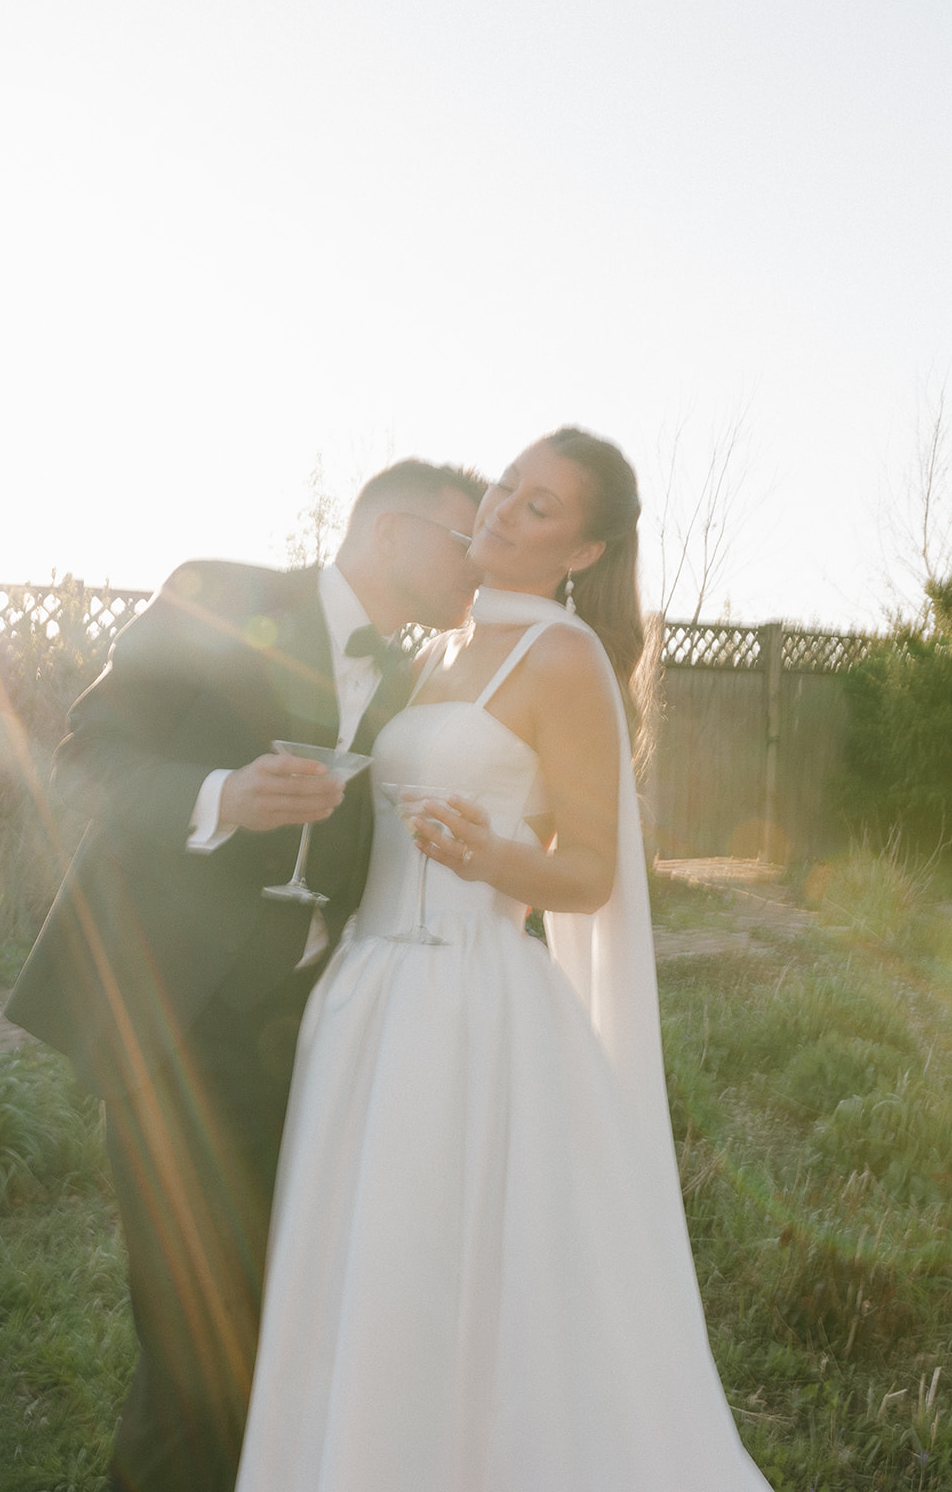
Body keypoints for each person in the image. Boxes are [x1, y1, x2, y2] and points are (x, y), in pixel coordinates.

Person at [235, 427, 775, 1491]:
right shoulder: (433, 649)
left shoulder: (561, 658)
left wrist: (491, 854)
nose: (501, 507)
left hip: (464, 998)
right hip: (364, 993)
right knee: (359, 1269)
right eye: (506, 485)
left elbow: (590, 875)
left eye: (538, 508)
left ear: (579, 553)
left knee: (442, 1267)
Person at [4, 459, 486, 1492]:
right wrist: (222, 793)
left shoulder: (414, 683)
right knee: (192, 1353)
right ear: (393, 532)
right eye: (463, 540)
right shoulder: (219, 595)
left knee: (278, 1331)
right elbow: (87, 754)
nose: (476, 565)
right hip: (177, 1028)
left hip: (321, 1042)